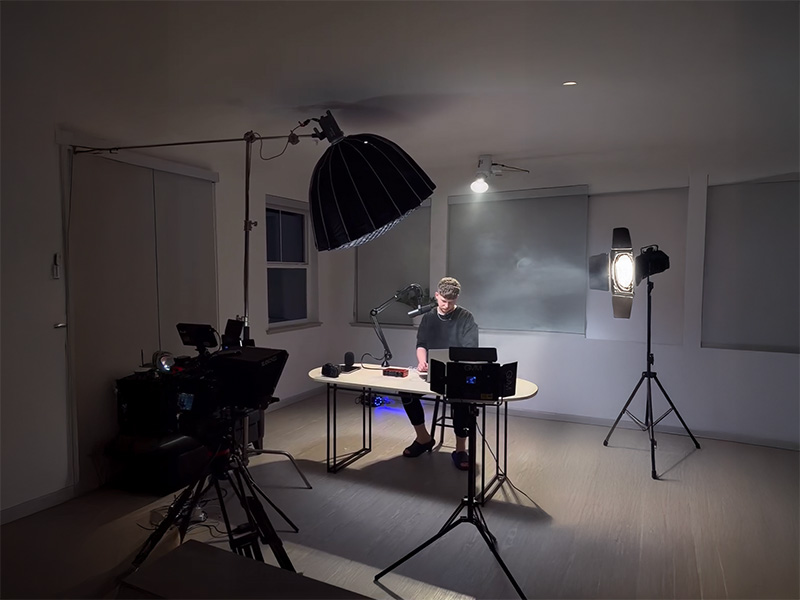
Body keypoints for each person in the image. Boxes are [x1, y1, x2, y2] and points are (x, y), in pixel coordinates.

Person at [401, 276, 478, 470]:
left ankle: (460, 449)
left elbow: (471, 350)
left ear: (457, 299)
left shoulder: (466, 317)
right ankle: (423, 438)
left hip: (457, 374)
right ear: (436, 296)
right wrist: (422, 362)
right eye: (443, 301)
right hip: (431, 372)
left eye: (451, 302)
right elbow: (421, 344)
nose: (446, 305)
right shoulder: (428, 317)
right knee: (406, 393)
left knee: (462, 400)